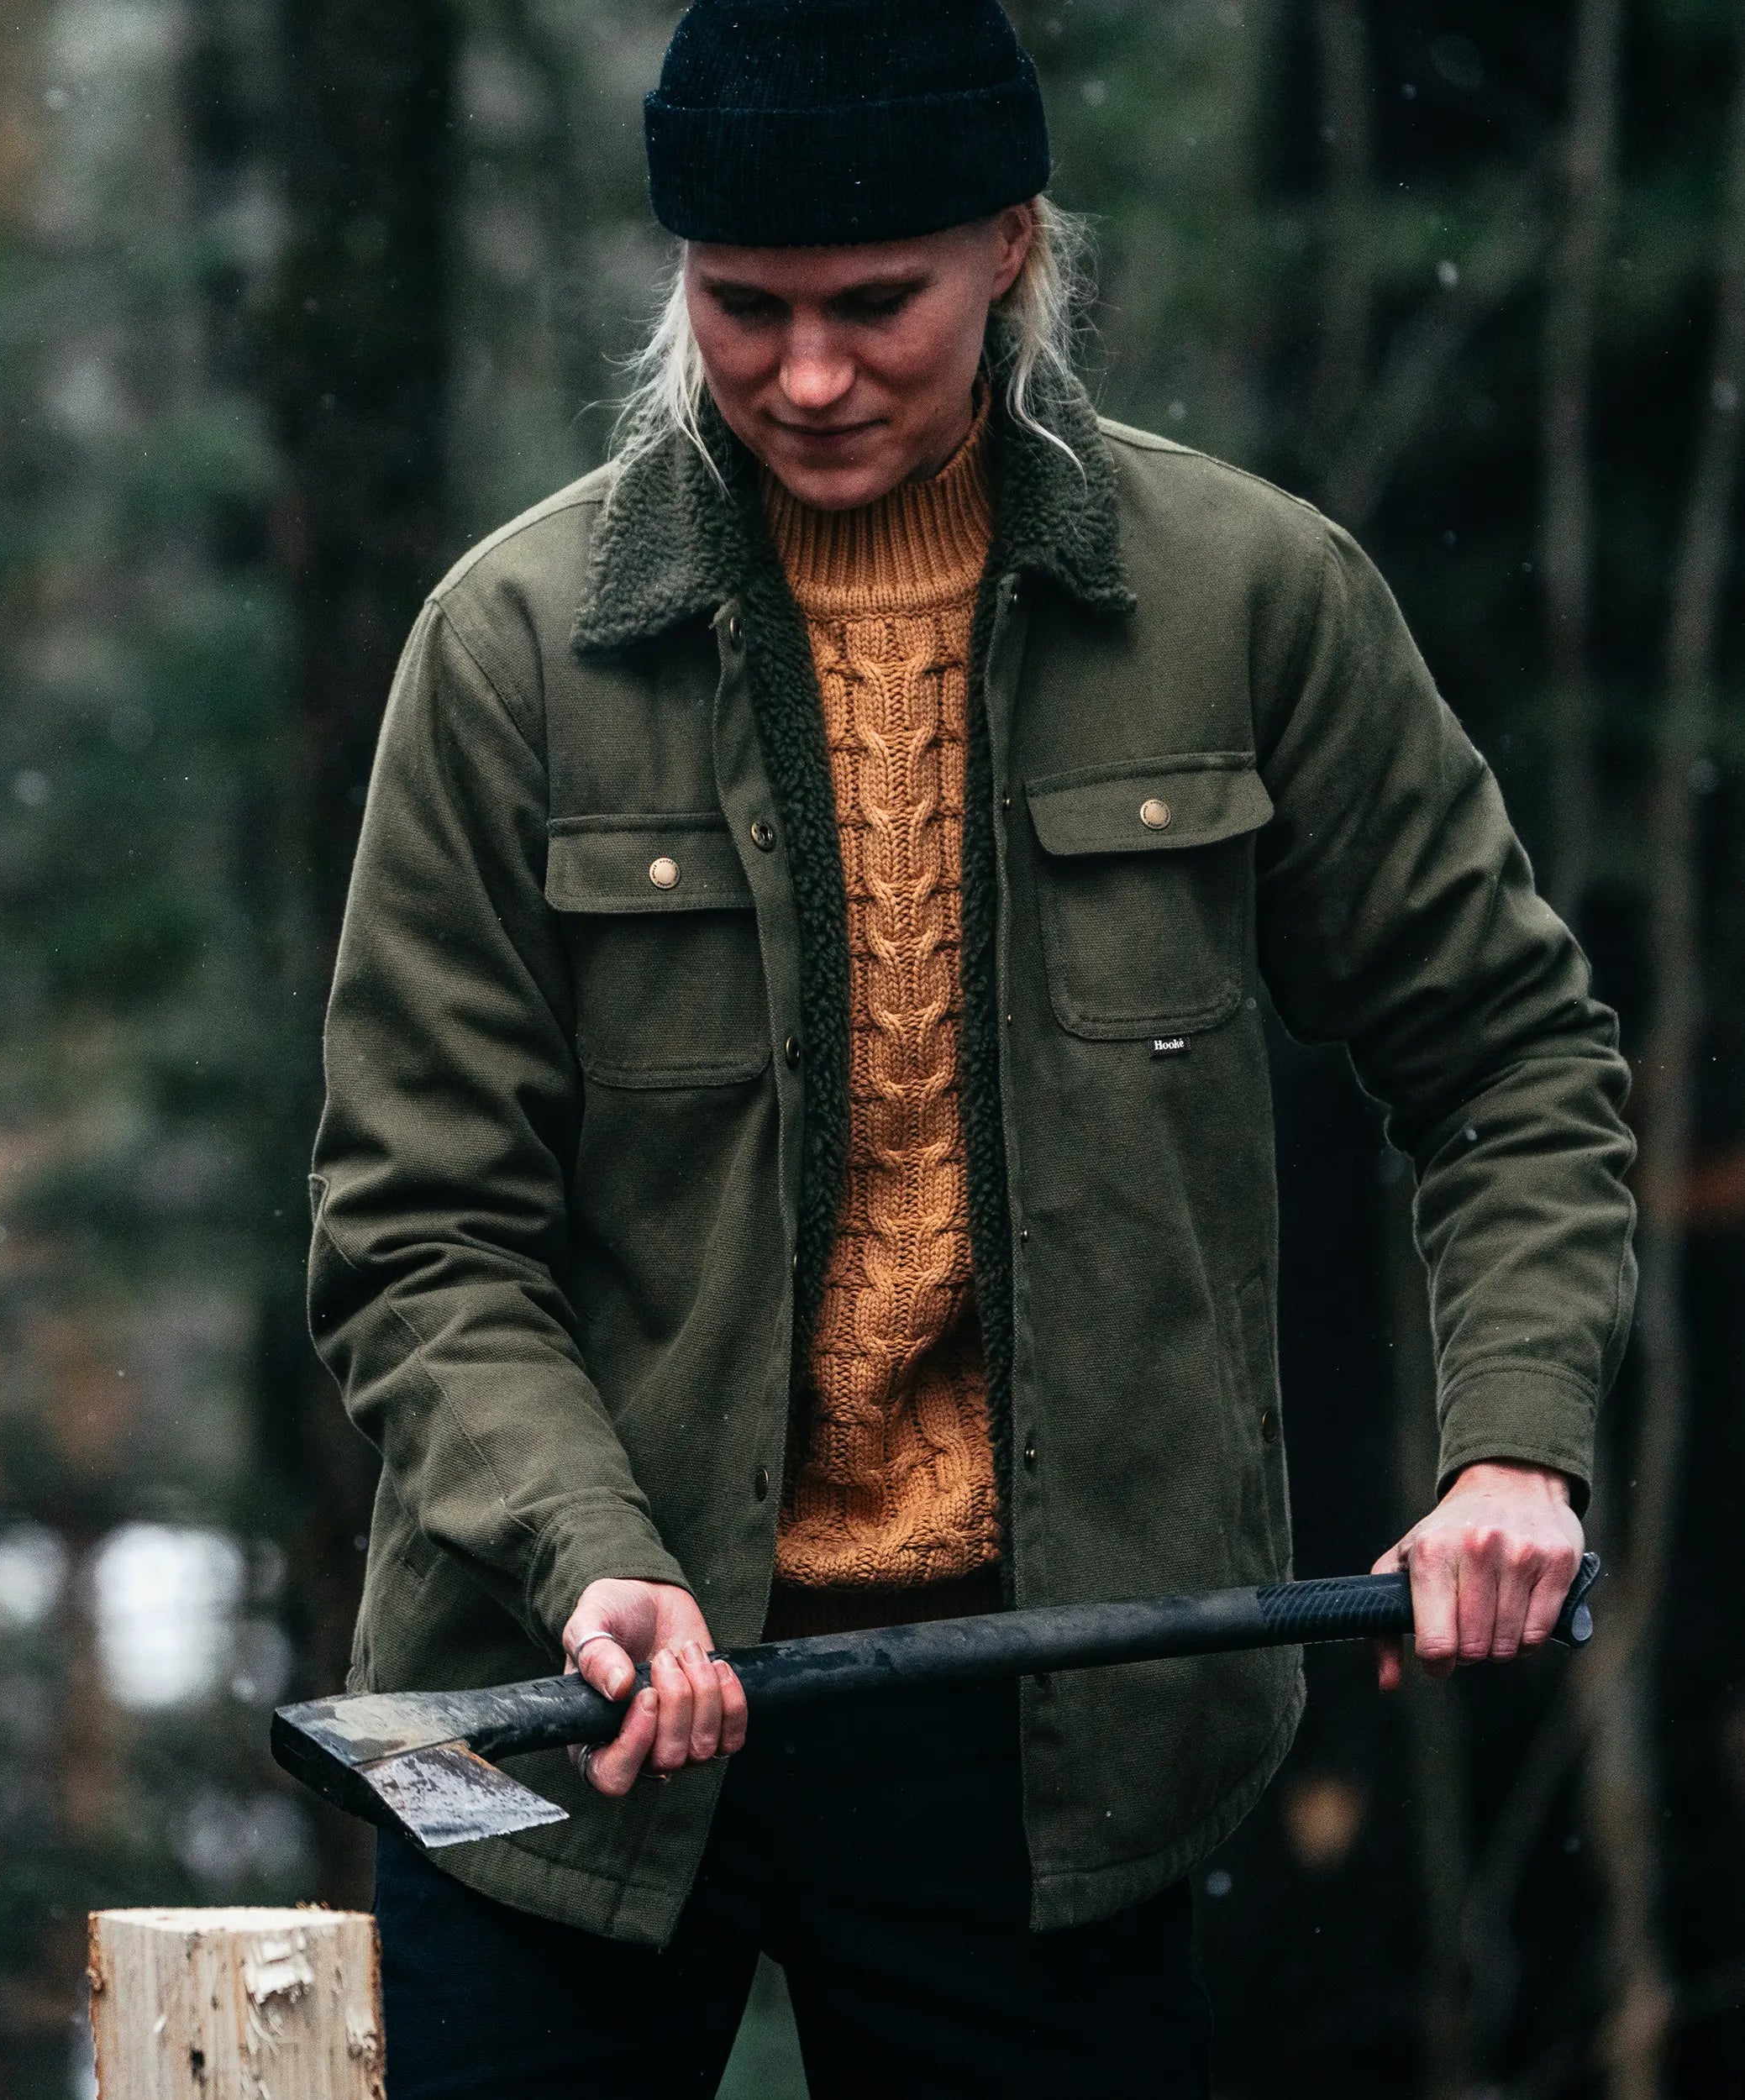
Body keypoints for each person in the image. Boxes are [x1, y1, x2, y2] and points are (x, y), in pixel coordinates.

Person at [306, 3, 1637, 2092]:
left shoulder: (1251, 601)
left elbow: (1507, 1058)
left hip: (1045, 1723)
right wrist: (590, 1551)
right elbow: (413, 1229)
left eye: (872, 306)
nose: (804, 376)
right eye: (742, 306)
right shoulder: (512, 647)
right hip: (557, 1713)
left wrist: (1512, 1443)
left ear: (1009, 246)